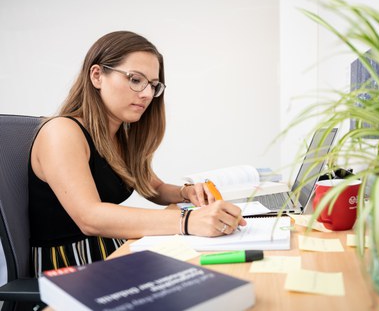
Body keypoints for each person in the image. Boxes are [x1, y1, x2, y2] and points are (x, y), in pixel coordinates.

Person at [28, 31, 246, 277]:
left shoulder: (119, 136)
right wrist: (188, 222)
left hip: (111, 250)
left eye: (153, 85)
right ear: (97, 75)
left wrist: (186, 192)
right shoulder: (62, 132)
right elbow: (90, 217)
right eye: (135, 79)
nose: (147, 94)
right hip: (69, 266)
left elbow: (153, 187)